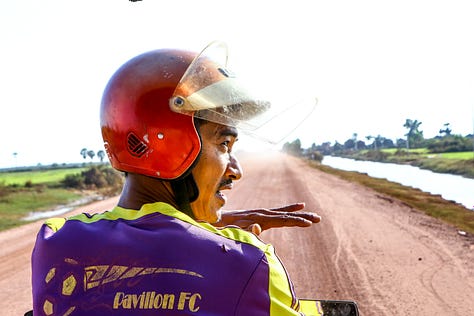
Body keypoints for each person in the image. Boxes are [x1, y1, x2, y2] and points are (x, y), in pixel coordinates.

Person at [30, 41, 321, 315]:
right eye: (224, 145)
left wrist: (193, 228)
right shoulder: (249, 263)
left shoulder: (55, 242)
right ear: (172, 144)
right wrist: (209, 236)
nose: (236, 169)